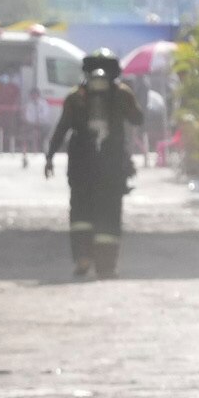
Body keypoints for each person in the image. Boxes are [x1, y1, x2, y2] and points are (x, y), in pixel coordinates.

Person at [41, 51, 145, 280]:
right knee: (109, 214)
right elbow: (138, 119)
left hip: (81, 167)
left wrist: (49, 156)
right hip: (111, 167)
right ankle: (106, 266)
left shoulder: (75, 97)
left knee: (80, 212)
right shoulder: (122, 94)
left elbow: (62, 128)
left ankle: (82, 258)